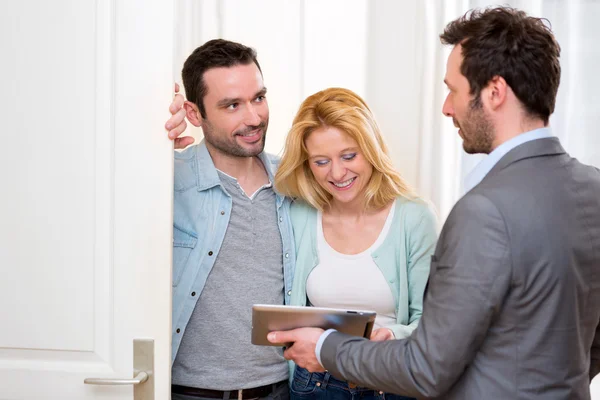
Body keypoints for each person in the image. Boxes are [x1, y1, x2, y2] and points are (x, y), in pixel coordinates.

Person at [268, 6, 600, 399]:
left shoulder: (482, 211)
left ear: (494, 93)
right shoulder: (592, 189)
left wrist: (325, 348)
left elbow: (426, 367)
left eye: (453, 89)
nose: (446, 107)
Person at [273, 87, 437, 400]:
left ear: (371, 149)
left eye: (349, 156)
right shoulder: (300, 215)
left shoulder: (414, 218)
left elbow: (432, 325)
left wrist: (391, 334)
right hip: (314, 384)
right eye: (321, 162)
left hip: (387, 382)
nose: (337, 173)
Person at [168, 39, 294, 400]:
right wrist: (143, 140)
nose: (253, 118)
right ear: (194, 114)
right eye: (232, 105)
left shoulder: (295, 182)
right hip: (187, 392)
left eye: (258, 98)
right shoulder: (165, 179)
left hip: (281, 391)